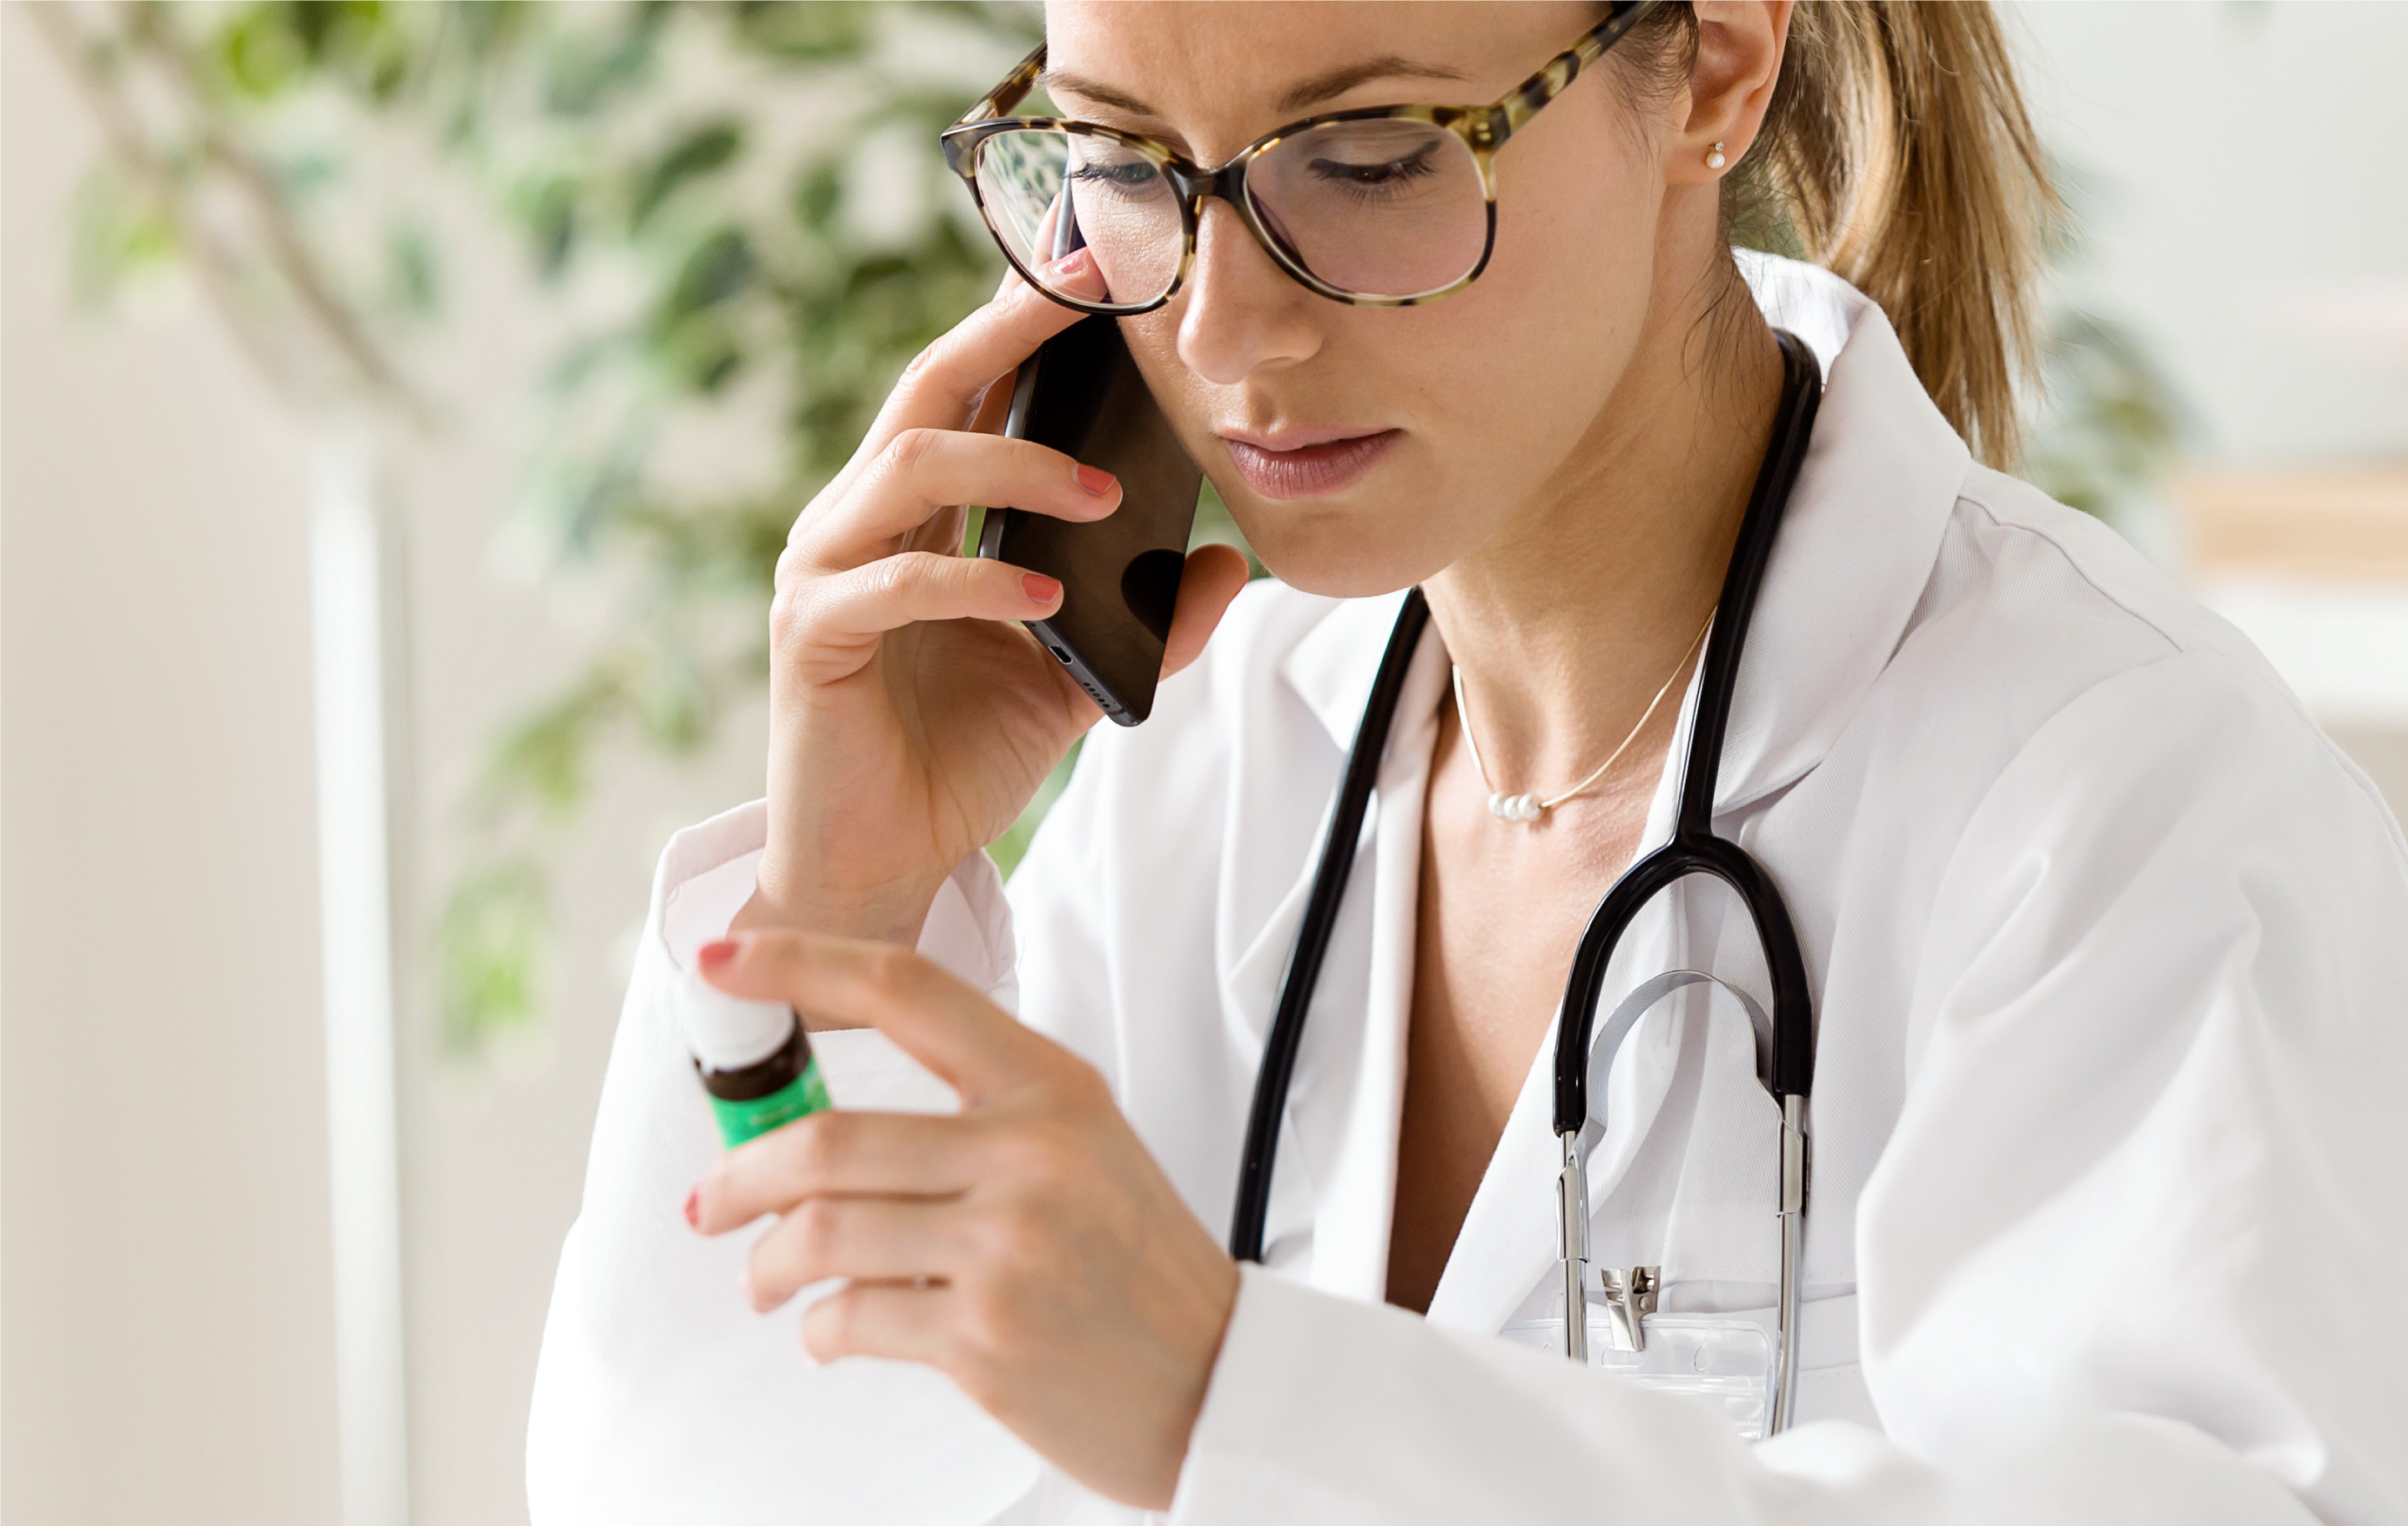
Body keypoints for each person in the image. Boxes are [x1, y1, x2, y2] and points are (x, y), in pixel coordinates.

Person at [527, 3, 2408, 1522]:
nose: (1215, 326)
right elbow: (698, 1483)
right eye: (1117, 166)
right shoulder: (1223, 772)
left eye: (1363, 160)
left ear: (1723, 68)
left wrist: (1233, 1394)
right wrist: (844, 925)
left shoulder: (2121, 801)